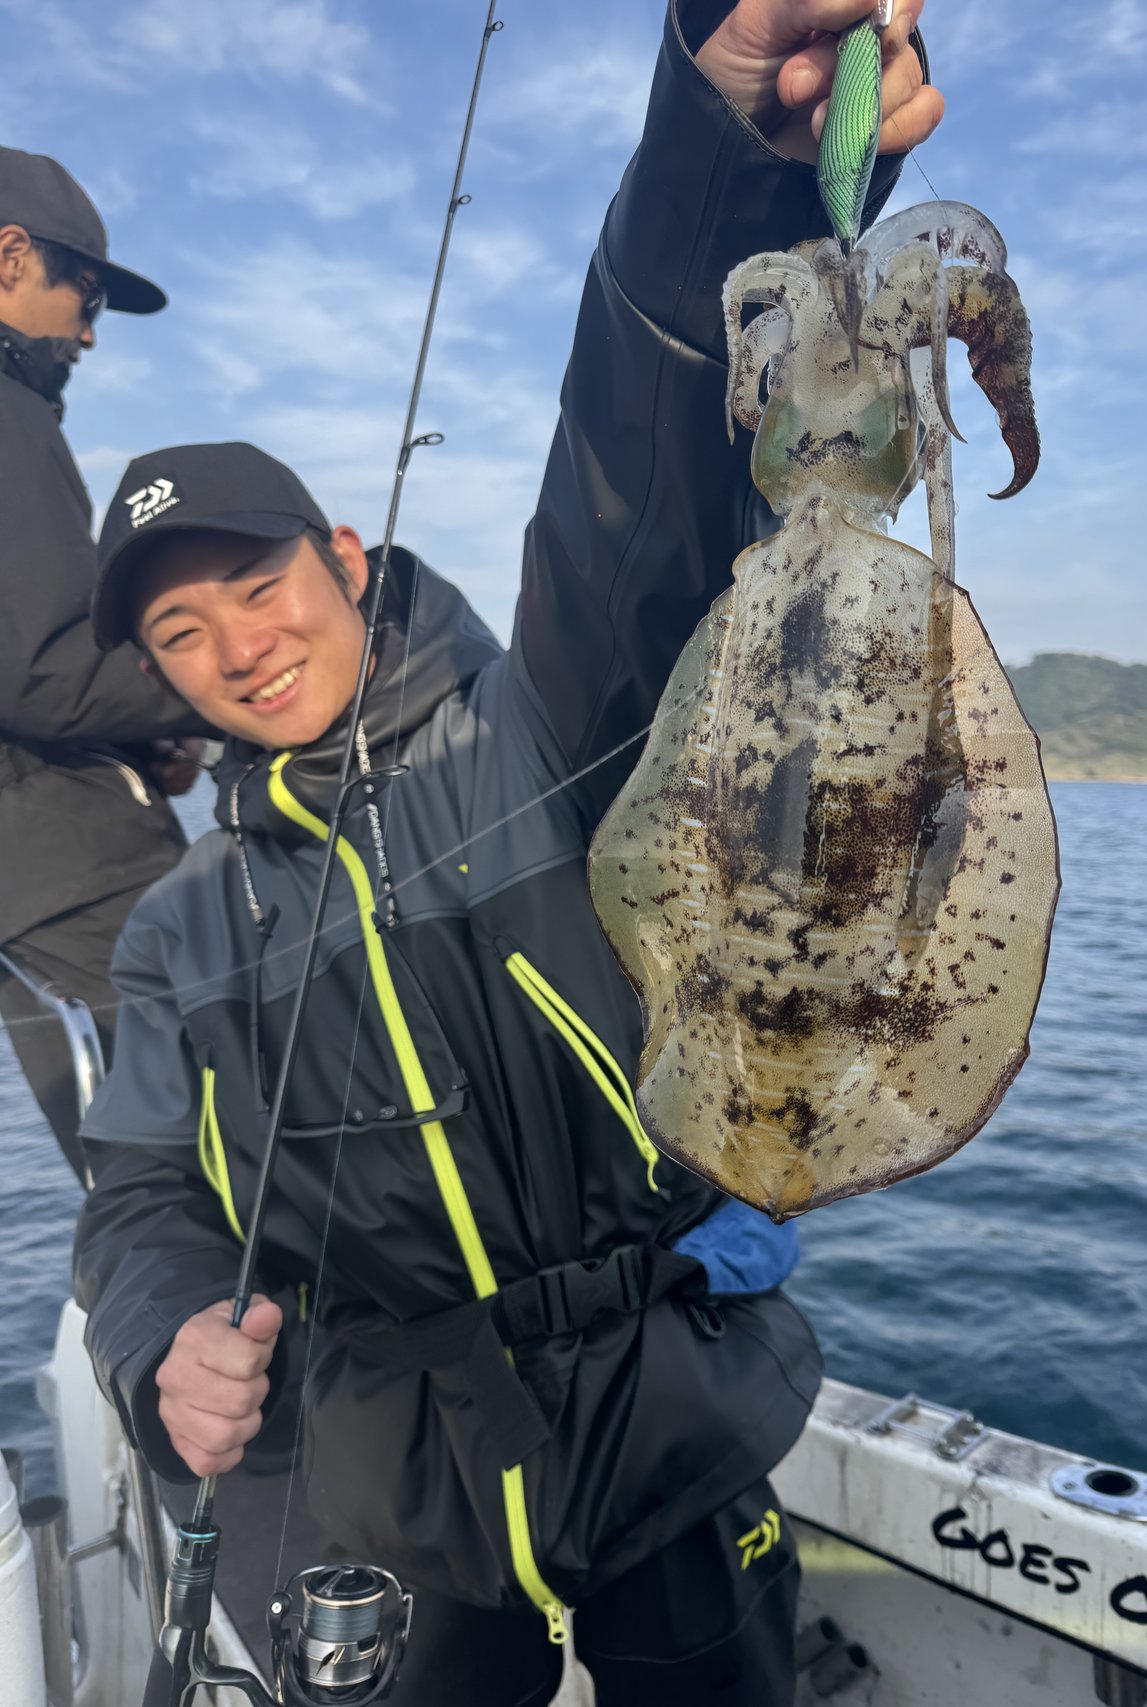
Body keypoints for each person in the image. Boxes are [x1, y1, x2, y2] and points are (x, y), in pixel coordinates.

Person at [74, 2, 943, 1701]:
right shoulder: (178, 929)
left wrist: (720, 155)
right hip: (401, 1500)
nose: (238, 646)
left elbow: (637, 479)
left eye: (256, 585)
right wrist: (156, 1334)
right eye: (181, 632)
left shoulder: (551, 716)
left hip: (669, 1424)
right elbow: (143, 1199)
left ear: (342, 554)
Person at [0, 145, 205, 1185]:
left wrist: (140, 725)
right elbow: (41, 670)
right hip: (76, 879)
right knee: (199, 1165)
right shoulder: (7, 409)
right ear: (10, 257)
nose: (87, 332)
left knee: (135, 1176)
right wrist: (207, 691)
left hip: (30, 889)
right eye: (83, 294)